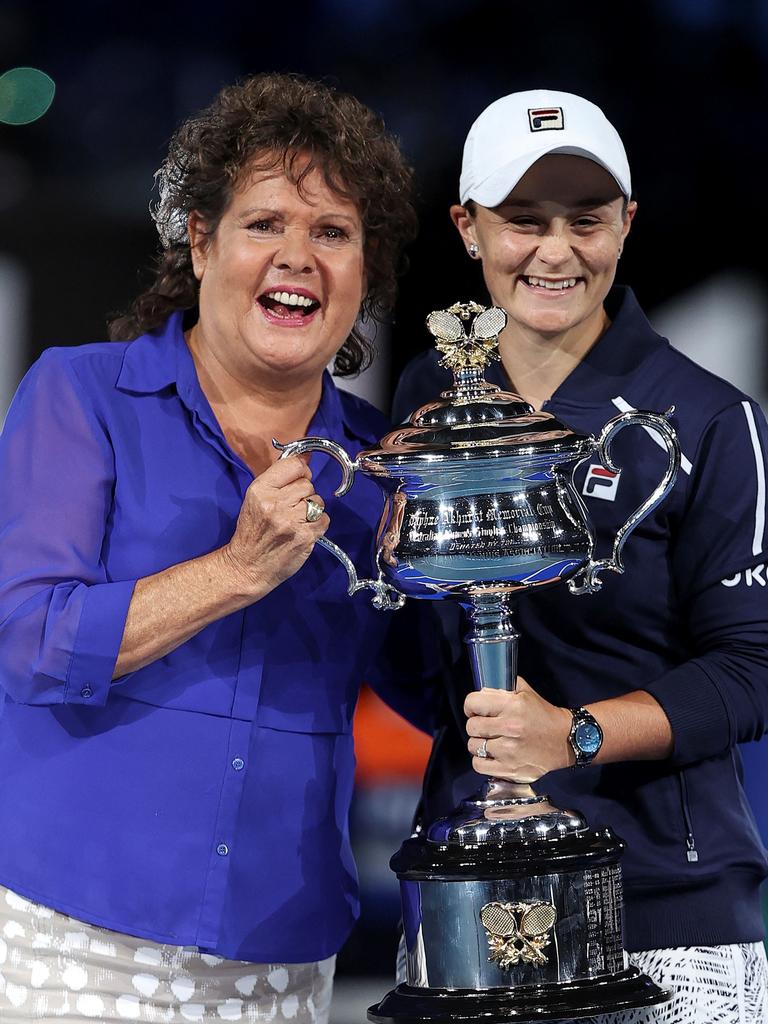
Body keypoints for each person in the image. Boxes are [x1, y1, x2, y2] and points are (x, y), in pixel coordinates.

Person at [0, 73, 435, 1023]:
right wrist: (235, 571)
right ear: (198, 242)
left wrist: (431, 577)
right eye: (264, 223)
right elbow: (29, 640)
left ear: (367, 273)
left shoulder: (380, 469)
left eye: (333, 232)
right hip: (74, 933)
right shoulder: (83, 398)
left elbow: (423, 692)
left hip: (280, 957)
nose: (299, 256)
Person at [393, 89, 768, 1023]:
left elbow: (754, 668)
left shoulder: (711, 419)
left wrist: (573, 735)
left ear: (627, 226)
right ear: (467, 228)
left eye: (586, 221)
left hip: (667, 921)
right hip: (463, 901)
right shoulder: (429, 401)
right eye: (523, 220)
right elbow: (425, 655)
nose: (555, 251)